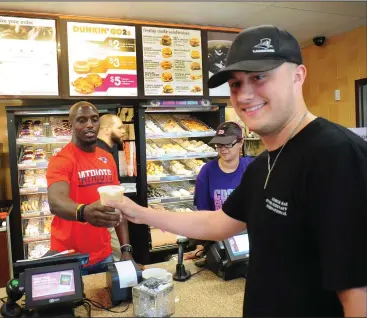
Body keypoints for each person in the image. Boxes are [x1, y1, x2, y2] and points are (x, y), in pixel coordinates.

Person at [109, 25, 367, 317]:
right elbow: (218, 223)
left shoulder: (336, 155)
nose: (244, 95)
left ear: (298, 77)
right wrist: (138, 213)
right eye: (235, 84)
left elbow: (358, 294)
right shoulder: (262, 165)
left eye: (259, 77)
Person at [46, 101, 133, 275]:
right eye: (82, 120)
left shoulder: (107, 158)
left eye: (94, 119)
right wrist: (84, 212)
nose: (89, 125)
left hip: (104, 256)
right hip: (69, 258)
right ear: (71, 124)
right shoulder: (62, 160)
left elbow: (118, 205)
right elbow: (56, 202)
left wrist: (125, 249)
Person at [185, 121, 253, 259]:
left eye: (228, 144)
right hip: (218, 244)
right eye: (219, 144)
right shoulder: (207, 172)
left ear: (241, 142)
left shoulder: (252, 168)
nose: (223, 149)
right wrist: (201, 248)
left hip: (248, 240)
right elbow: (203, 215)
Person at [97, 114, 127, 261]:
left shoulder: (108, 151)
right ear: (107, 129)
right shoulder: (100, 153)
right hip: (105, 217)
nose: (124, 131)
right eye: (120, 127)